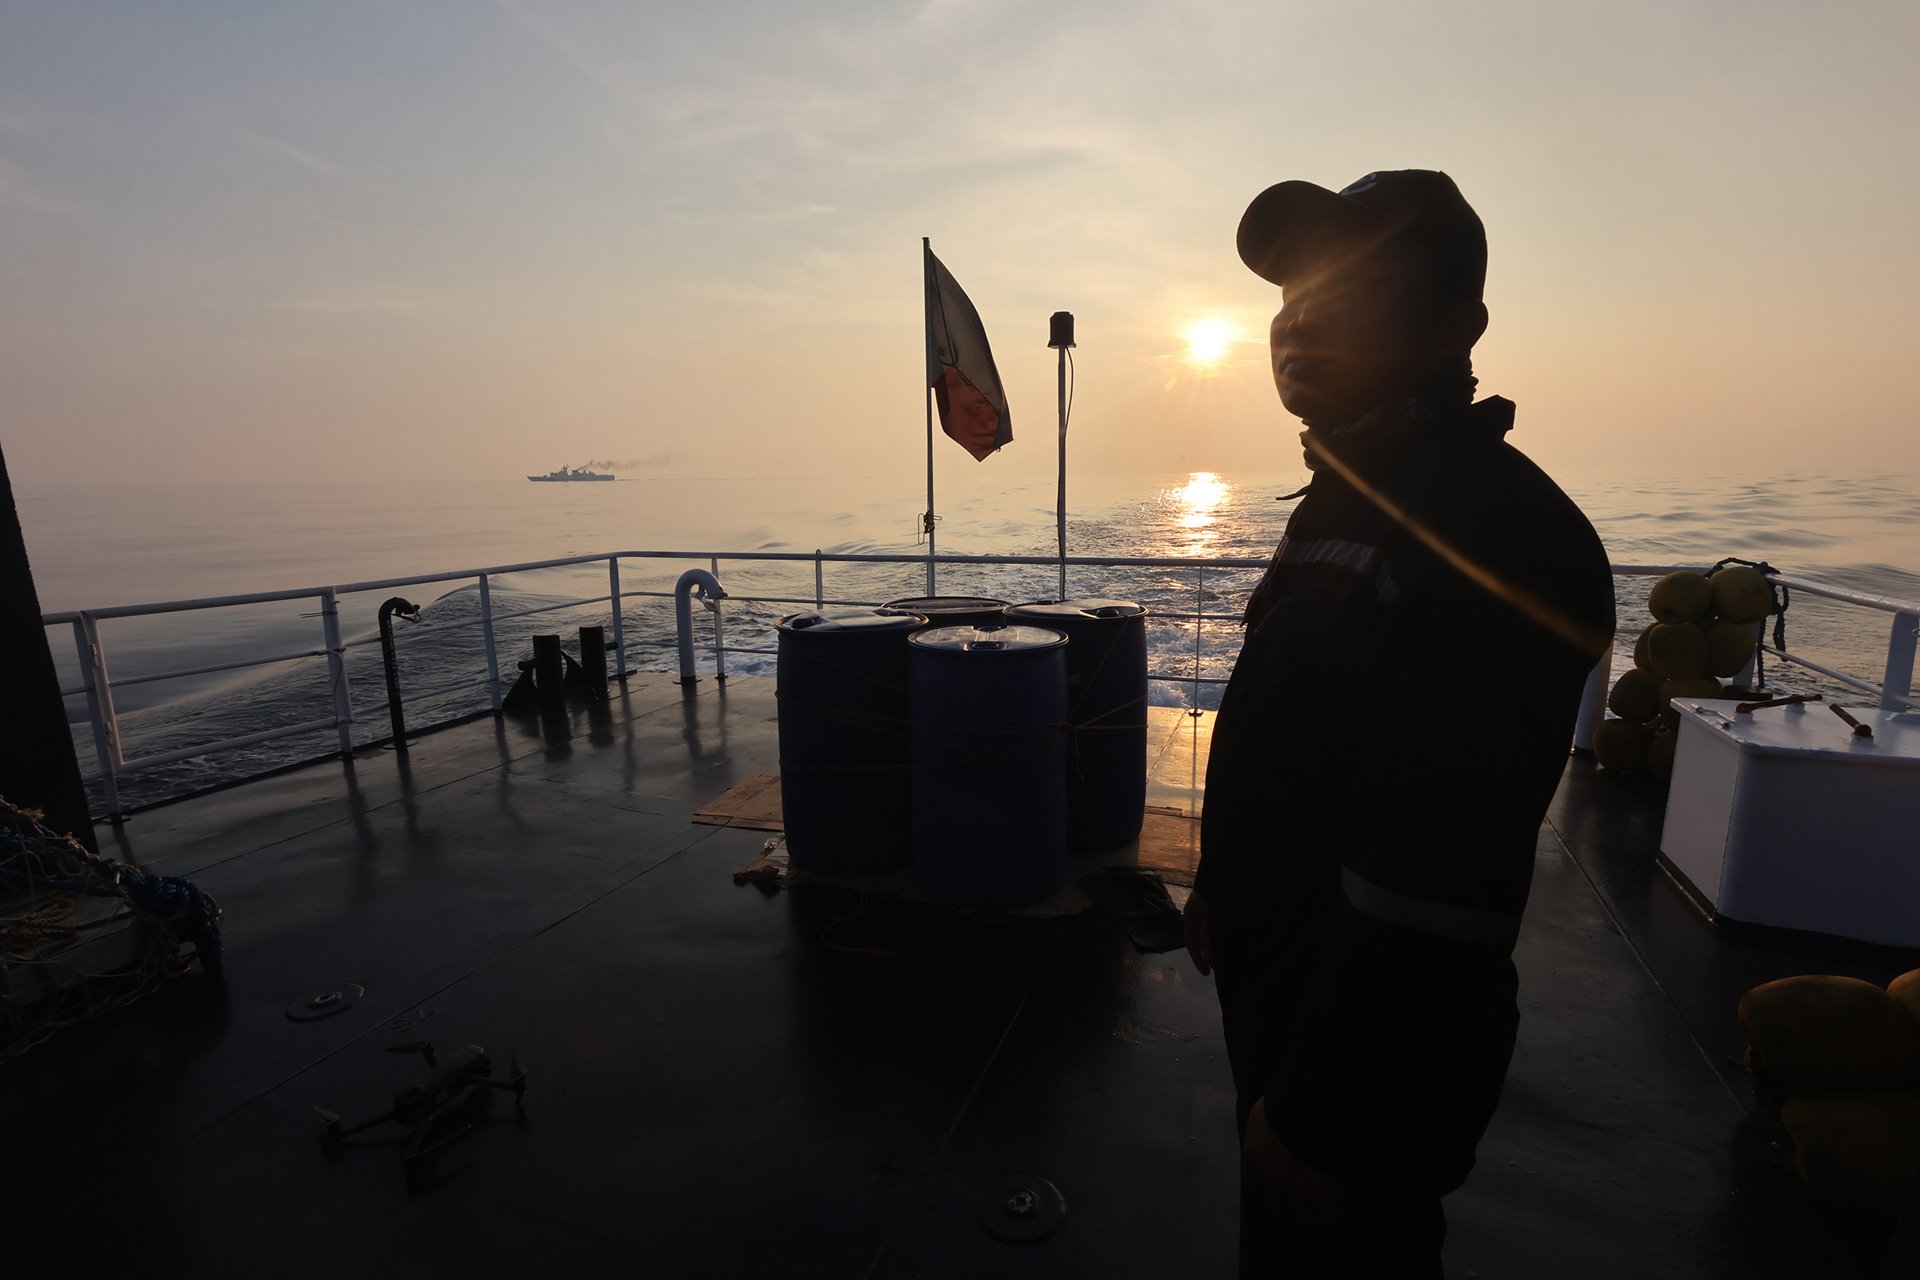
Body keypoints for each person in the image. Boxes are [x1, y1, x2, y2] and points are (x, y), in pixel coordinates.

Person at [1185, 170, 1617, 1277]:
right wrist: (1225, 893)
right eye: (1290, 290)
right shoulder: (1356, 497)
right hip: (1291, 996)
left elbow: (1436, 881)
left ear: (1454, 327)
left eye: (1354, 281)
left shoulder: (1497, 530)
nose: (1302, 312)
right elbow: (1311, 737)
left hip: (1363, 1060)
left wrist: (1327, 1110)